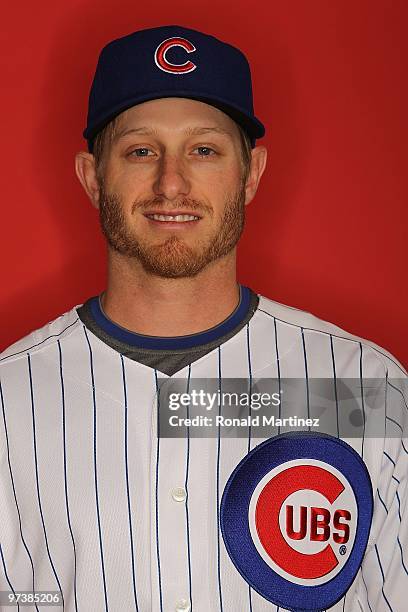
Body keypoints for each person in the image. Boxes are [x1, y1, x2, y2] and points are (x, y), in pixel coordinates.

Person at [0, 24, 406, 612]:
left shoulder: (363, 384)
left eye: (204, 150)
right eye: (141, 151)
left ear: (252, 175)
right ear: (93, 178)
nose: (172, 183)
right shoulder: (9, 397)